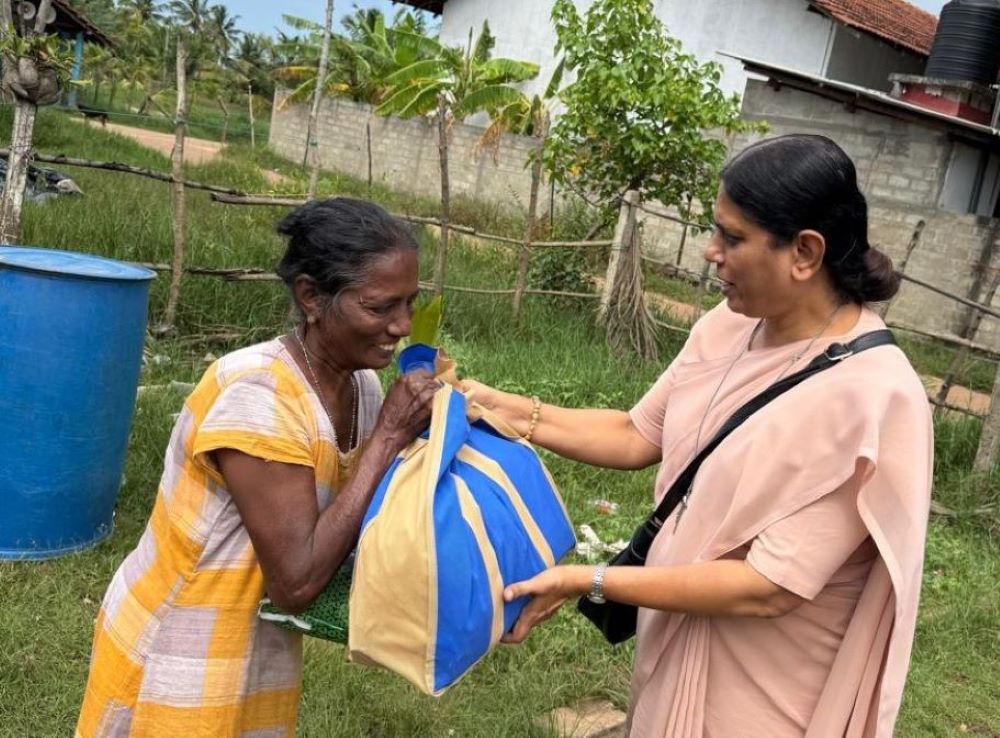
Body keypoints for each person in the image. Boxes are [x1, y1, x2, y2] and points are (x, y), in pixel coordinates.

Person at [462, 135, 933, 737]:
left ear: (805, 253)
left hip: (765, 694)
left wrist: (589, 579)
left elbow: (768, 586)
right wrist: (508, 409)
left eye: (732, 237)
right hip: (673, 643)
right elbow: (637, 433)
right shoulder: (727, 327)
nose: (711, 252)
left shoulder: (874, 398)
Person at [76, 198, 440, 738]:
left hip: (251, 644)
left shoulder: (361, 385)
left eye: (410, 303)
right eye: (380, 307)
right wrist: (389, 437)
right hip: (181, 645)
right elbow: (294, 582)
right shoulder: (258, 394)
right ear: (312, 297)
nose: (403, 326)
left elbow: (352, 516)